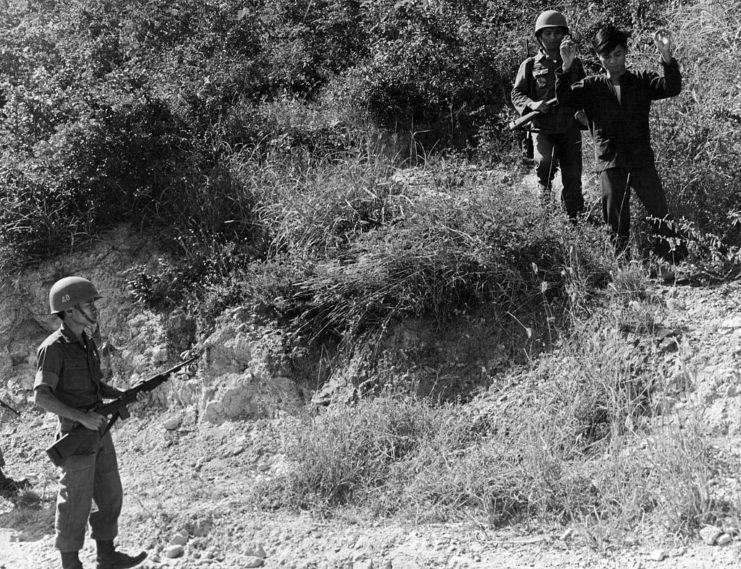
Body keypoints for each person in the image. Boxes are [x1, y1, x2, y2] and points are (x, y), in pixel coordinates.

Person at [33, 276, 146, 569]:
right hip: (76, 432)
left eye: (93, 303)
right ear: (69, 310)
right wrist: (81, 417)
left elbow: (97, 386)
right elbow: (42, 397)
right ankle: (70, 563)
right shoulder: (54, 348)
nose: (94, 309)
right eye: (87, 304)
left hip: (98, 428)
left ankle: (106, 556)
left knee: (110, 493)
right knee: (75, 502)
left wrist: (122, 395)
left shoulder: (87, 342)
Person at [556, 25, 688, 263]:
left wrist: (666, 56)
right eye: (606, 56)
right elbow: (565, 100)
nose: (613, 61)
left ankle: (670, 263)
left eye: (617, 54)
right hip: (610, 160)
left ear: (625, 53)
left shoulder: (641, 80)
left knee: (659, 212)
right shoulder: (591, 86)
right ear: (598, 56)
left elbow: (672, 87)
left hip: (641, 159)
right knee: (615, 220)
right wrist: (565, 67)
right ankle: (623, 269)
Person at [511, 9, 586, 218]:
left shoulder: (575, 63)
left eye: (557, 33)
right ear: (539, 37)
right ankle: (544, 215)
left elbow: (585, 92)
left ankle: (575, 217)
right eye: (547, 34)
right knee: (544, 165)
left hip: (569, 127)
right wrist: (533, 104)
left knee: (573, 174)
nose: (553, 38)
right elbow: (517, 93)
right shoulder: (530, 65)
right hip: (542, 128)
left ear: (565, 35)